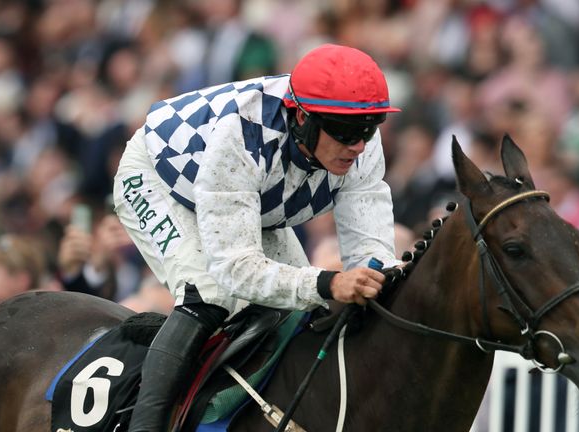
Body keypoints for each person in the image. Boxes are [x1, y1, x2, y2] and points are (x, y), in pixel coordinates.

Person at [113, 44, 402, 431]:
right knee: (211, 292)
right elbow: (236, 267)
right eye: (347, 132)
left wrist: (374, 276)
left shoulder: (362, 146)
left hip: (249, 195)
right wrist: (330, 281)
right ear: (302, 117)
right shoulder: (242, 133)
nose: (359, 145)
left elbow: (371, 250)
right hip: (160, 178)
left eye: (370, 127)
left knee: (302, 311)